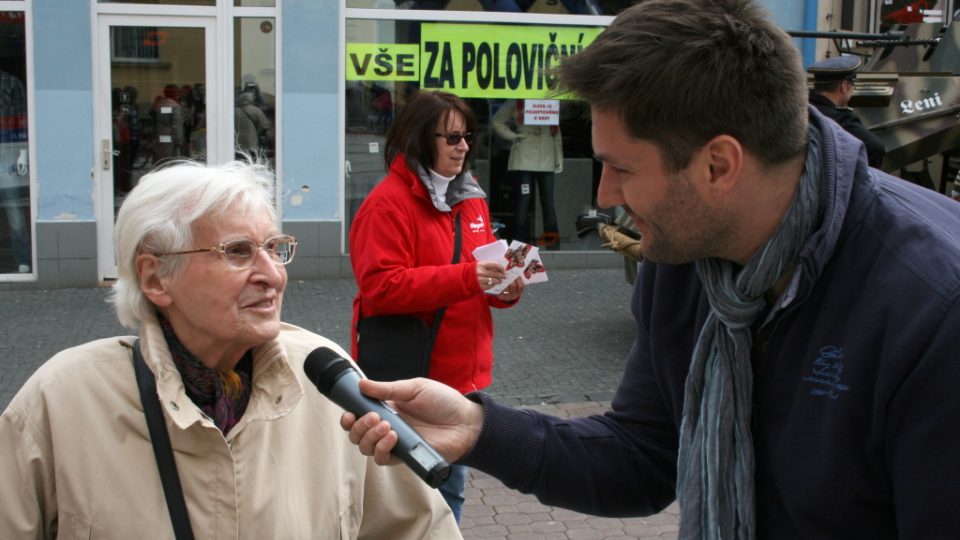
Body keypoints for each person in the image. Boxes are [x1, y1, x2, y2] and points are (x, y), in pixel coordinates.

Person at [342, 0, 960, 537]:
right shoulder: (685, 252)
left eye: (624, 169)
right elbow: (641, 456)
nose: (606, 192)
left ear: (719, 166)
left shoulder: (930, 305)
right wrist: (480, 427)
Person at [0, 159, 460, 538]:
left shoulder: (326, 380)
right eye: (238, 252)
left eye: (274, 248)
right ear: (156, 277)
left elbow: (421, 528)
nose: (273, 275)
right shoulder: (61, 402)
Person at [348, 90, 525, 522]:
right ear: (420, 139)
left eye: (467, 136)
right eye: (451, 137)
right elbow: (381, 288)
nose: (463, 146)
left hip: (462, 373)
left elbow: (483, 266)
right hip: (410, 374)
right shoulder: (386, 204)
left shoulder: (471, 195)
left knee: (450, 490)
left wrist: (506, 288)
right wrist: (468, 278)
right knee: (411, 495)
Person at [492, 98, 563, 248]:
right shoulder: (518, 99)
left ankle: (551, 244)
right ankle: (520, 244)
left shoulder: (548, 100)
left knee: (548, 203)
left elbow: (555, 129)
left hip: (546, 153)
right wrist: (513, 136)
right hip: (526, 151)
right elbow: (497, 121)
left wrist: (558, 156)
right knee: (524, 202)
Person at [807, 55, 886, 168]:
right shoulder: (840, 120)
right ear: (844, 86)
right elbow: (875, 148)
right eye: (853, 84)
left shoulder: (801, 109)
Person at [0, 68, 30, 273]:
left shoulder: (11, 82)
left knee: (13, 209)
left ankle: (23, 258)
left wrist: (23, 153)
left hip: (6, 152)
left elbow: (23, 120)